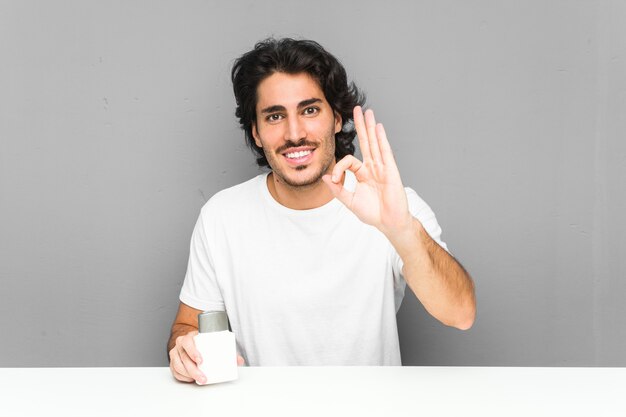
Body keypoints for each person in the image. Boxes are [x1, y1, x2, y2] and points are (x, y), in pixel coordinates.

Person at [167, 38, 475, 383]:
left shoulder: (394, 207)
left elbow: (460, 313)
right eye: (274, 116)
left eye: (310, 110)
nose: (294, 133)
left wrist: (401, 229)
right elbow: (187, 326)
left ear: (336, 118)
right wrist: (185, 347)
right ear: (256, 132)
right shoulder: (221, 217)